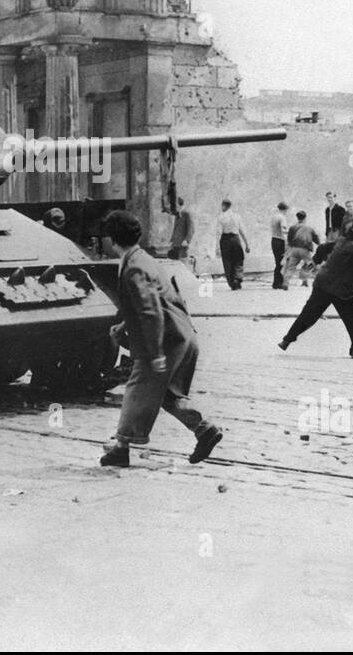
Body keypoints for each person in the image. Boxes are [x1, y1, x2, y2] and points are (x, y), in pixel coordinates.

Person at [100, 210, 222, 468]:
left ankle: (120, 449)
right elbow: (156, 303)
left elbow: (150, 312)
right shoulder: (144, 258)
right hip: (181, 334)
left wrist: (154, 354)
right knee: (165, 393)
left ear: (112, 240)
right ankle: (204, 430)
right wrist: (123, 326)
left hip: (165, 341)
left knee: (136, 388)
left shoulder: (133, 268)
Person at [277, 215, 353, 359]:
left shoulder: (341, 241)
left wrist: (315, 261)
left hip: (322, 283)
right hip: (339, 288)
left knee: (309, 314)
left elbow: (322, 247)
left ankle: (287, 340)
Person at [215, 199, 250, 290]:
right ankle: (237, 279)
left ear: (224, 206)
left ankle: (232, 282)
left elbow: (219, 233)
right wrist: (247, 244)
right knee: (238, 260)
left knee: (227, 262)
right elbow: (242, 230)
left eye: (222, 206)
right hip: (236, 239)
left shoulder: (221, 217)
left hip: (225, 239)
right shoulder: (237, 216)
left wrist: (217, 247)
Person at [284, 210, 319, 286]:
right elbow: (316, 238)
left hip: (294, 250)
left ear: (297, 218)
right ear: (305, 218)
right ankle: (304, 279)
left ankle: (286, 282)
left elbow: (289, 239)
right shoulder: (309, 228)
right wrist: (320, 244)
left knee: (291, 267)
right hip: (304, 250)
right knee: (310, 265)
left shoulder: (292, 227)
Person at [269, 201, 291, 290]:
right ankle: (278, 283)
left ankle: (276, 282)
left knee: (277, 262)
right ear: (285, 209)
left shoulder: (273, 217)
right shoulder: (282, 217)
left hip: (273, 240)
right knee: (281, 262)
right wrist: (291, 232)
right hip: (280, 241)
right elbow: (284, 230)